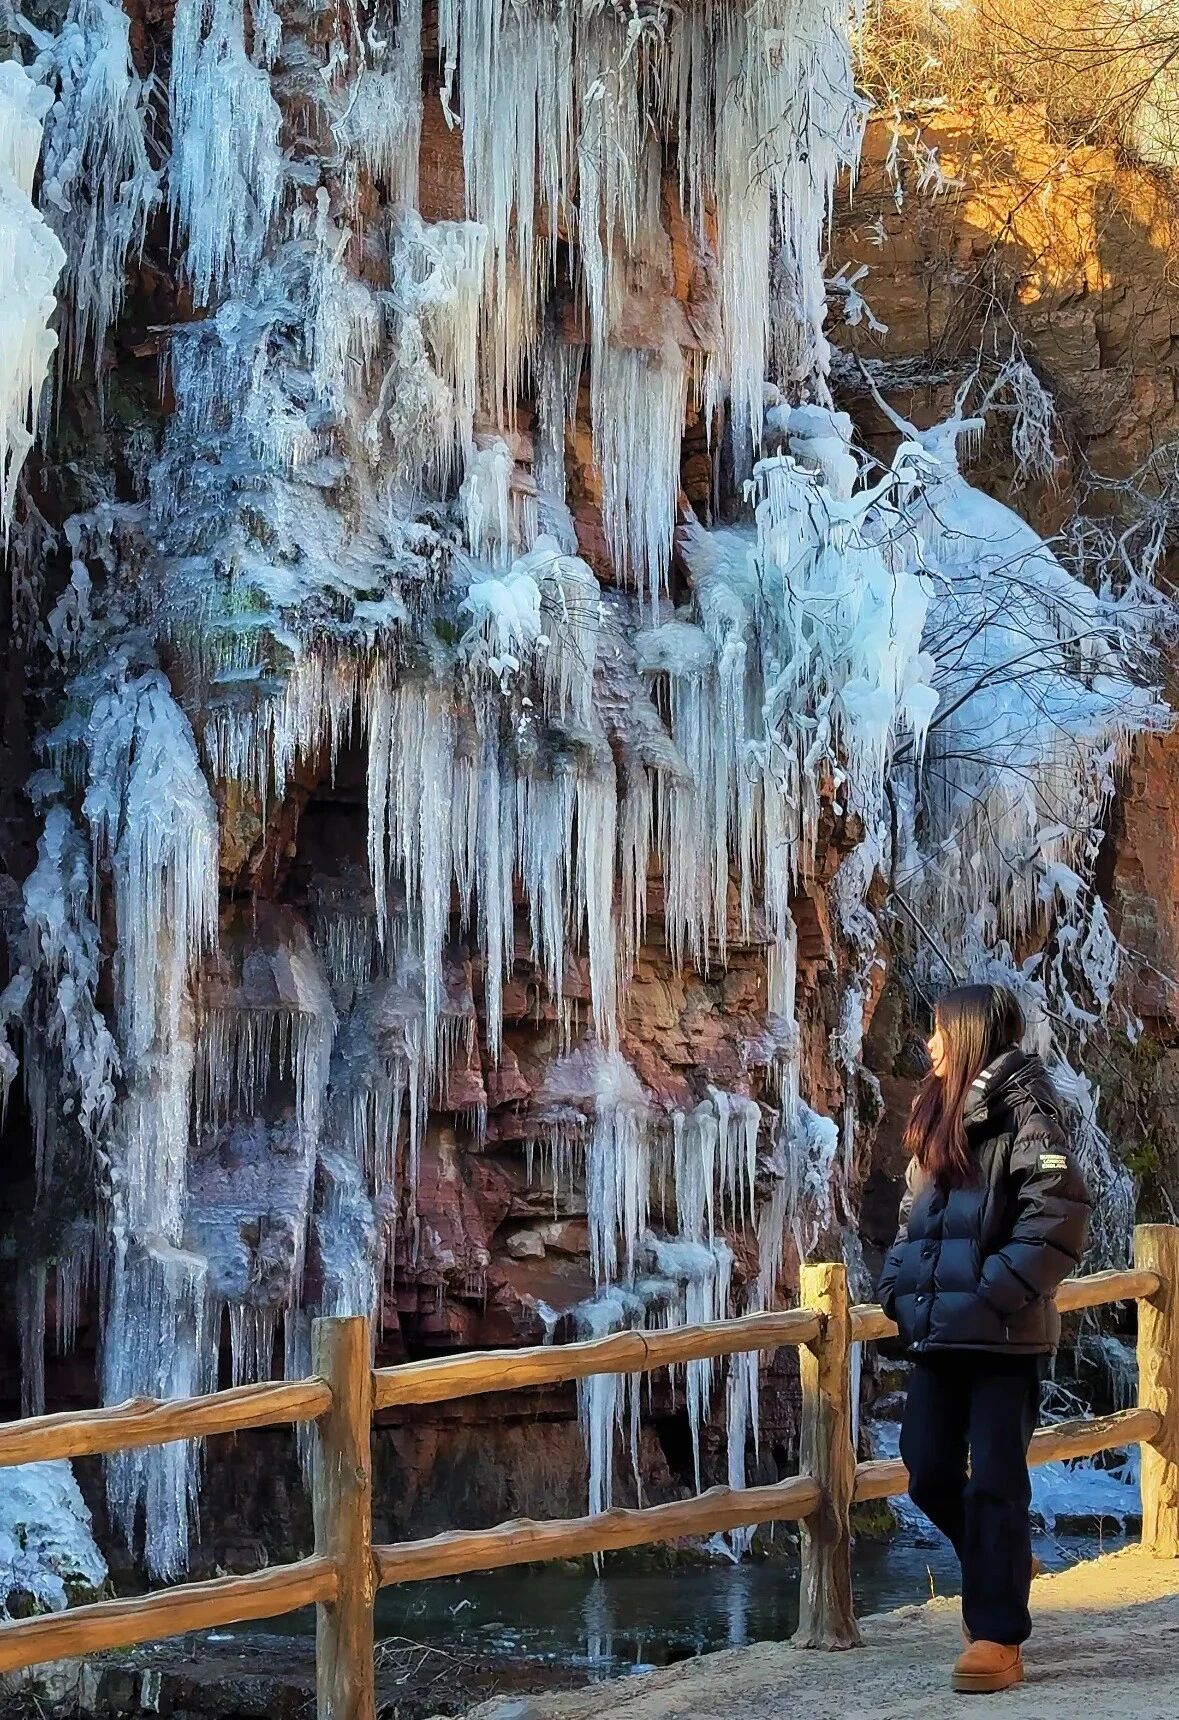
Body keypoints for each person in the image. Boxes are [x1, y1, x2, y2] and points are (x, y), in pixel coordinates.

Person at [876, 983, 1092, 1694]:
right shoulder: (935, 1106)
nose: (929, 1044)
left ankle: (997, 1636)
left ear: (968, 1034)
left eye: (939, 1031)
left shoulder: (1028, 1108)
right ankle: (1000, 1565)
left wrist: (994, 1291)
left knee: (995, 1482)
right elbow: (912, 1216)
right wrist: (896, 1288)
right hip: (939, 1330)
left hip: (1003, 1334)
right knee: (926, 1468)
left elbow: (1058, 1214)